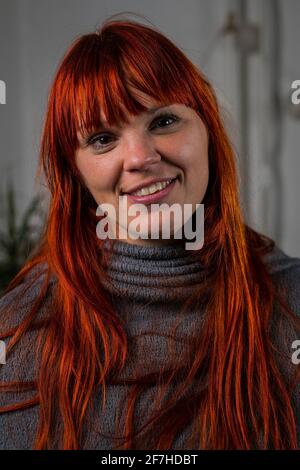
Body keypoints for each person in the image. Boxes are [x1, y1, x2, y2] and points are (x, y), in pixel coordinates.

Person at [0, 16, 300, 451]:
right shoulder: (16, 333)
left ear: (207, 131)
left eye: (163, 122)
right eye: (103, 138)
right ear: (74, 174)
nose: (140, 157)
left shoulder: (291, 301)